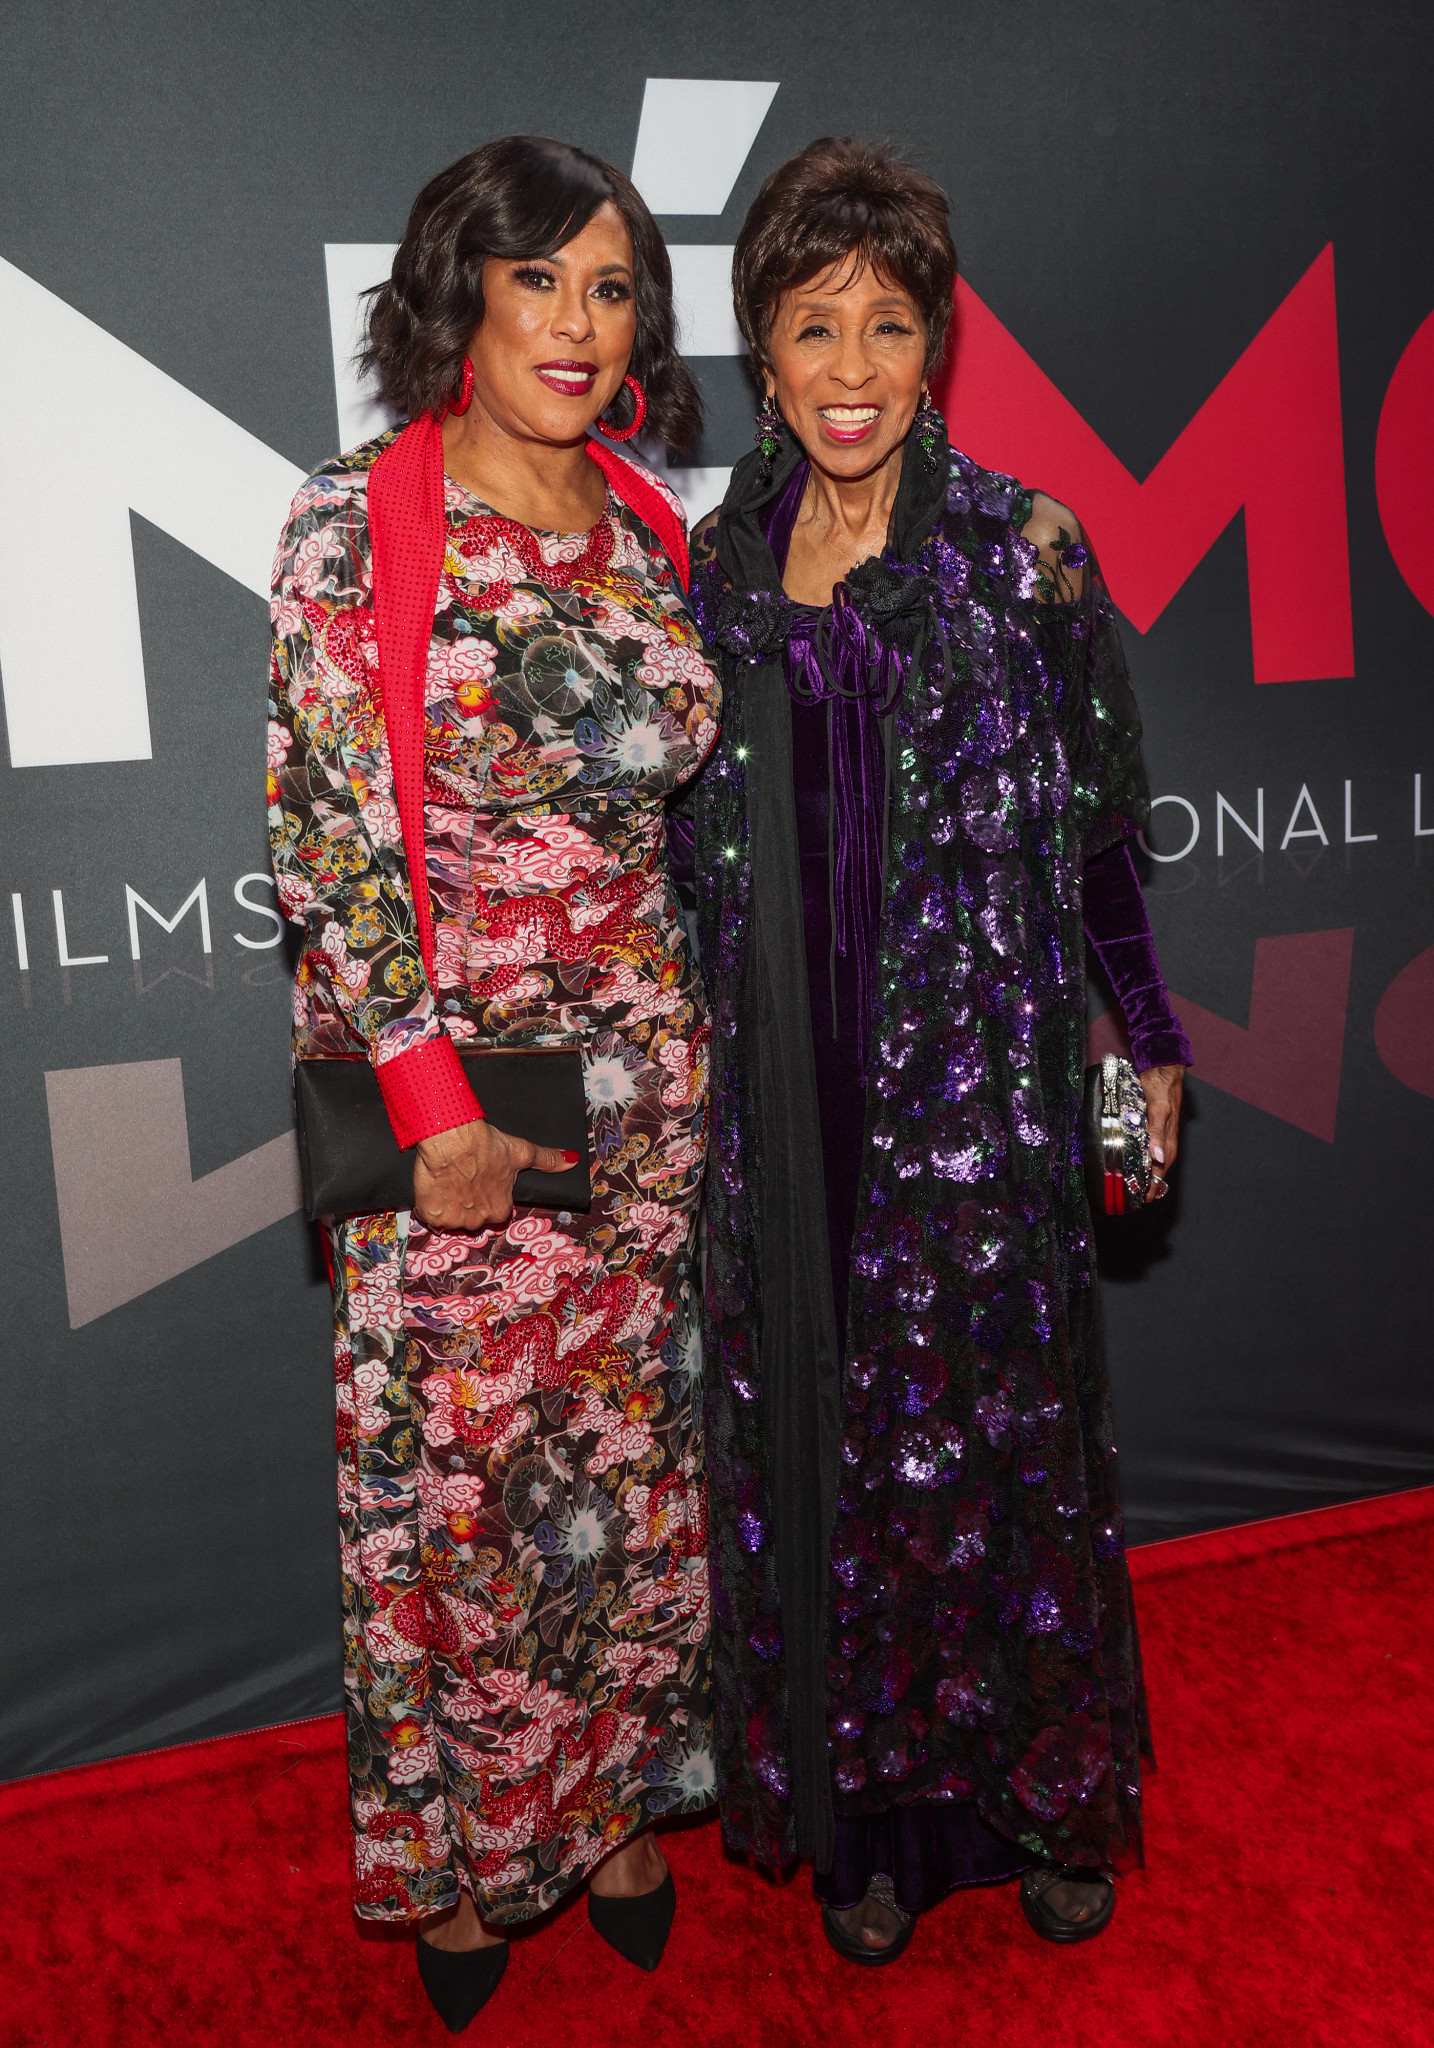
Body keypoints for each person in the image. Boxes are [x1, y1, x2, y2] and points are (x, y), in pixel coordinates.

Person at [681, 137, 1191, 1964]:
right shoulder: (717, 558)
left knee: (999, 1445)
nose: (848, 369)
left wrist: (1143, 1035)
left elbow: (1100, 836)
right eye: (812, 326)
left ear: (936, 346)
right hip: (786, 1101)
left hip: (973, 1085)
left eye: (887, 326)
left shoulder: (1022, 547)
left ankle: (1033, 1799)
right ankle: (875, 1823)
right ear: (760, 341)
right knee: (831, 1449)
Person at [267, 136, 721, 2032]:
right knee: (462, 1499)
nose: (575, 322)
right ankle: (461, 1854)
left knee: (631, 1482)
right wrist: (433, 1103)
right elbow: (329, 840)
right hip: (473, 1107)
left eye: (611, 287)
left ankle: (613, 1810)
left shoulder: (645, 519)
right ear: (459, 292)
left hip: (652, 1098)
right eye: (538, 278)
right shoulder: (358, 523)